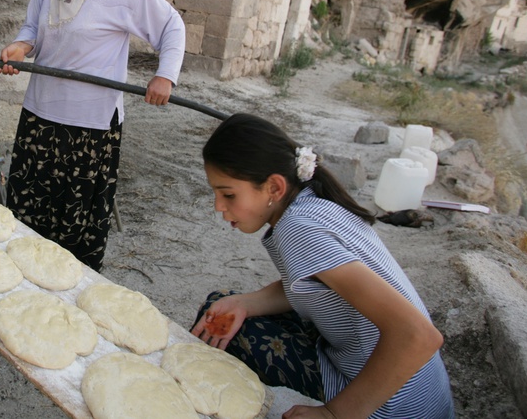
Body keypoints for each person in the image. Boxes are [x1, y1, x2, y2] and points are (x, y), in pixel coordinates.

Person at [191, 113, 454, 418]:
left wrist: (334, 413)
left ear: (274, 188)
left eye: (228, 194)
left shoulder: (299, 230)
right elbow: (313, 286)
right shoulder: (312, 201)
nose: (218, 206)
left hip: (391, 404)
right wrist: (245, 302)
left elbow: (418, 336)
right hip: (422, 396)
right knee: (221, 310)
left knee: (232, 335)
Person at [0, 0, 185, 271]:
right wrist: (20, 48)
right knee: (26, 220)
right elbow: (31, 29)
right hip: (39, 119)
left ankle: (67, 303)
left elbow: (172, 26)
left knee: (73, 231)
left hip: (89, 132)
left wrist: (164, 76)